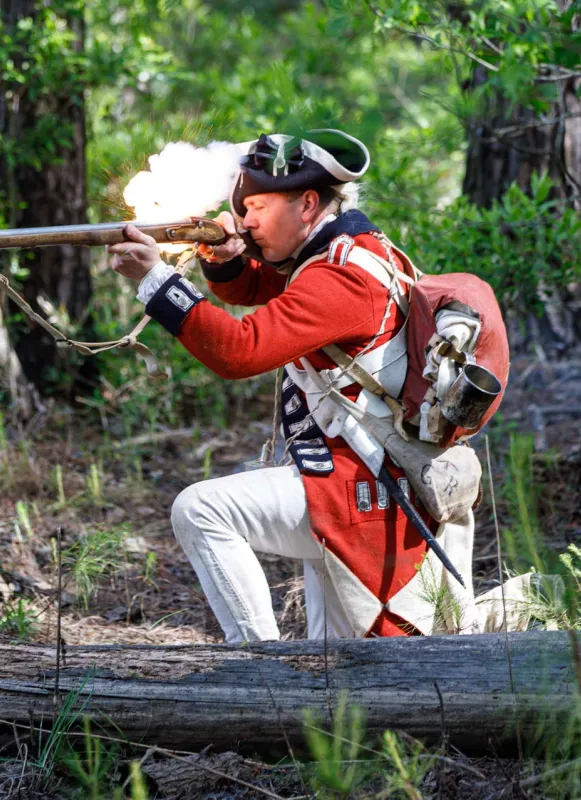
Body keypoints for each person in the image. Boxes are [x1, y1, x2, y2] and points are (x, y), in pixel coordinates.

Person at [109, 130, 537, 642]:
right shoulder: (340, 253)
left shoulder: (341, 277)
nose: (246, 221)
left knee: (200, 509)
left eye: (259, 207)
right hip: (358, 481)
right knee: (344, 673)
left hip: (362, 487)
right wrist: (222, 256)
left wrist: (157, 282)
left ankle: (260, 675)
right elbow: (260, 287)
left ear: (308, 202)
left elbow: (240, 350)